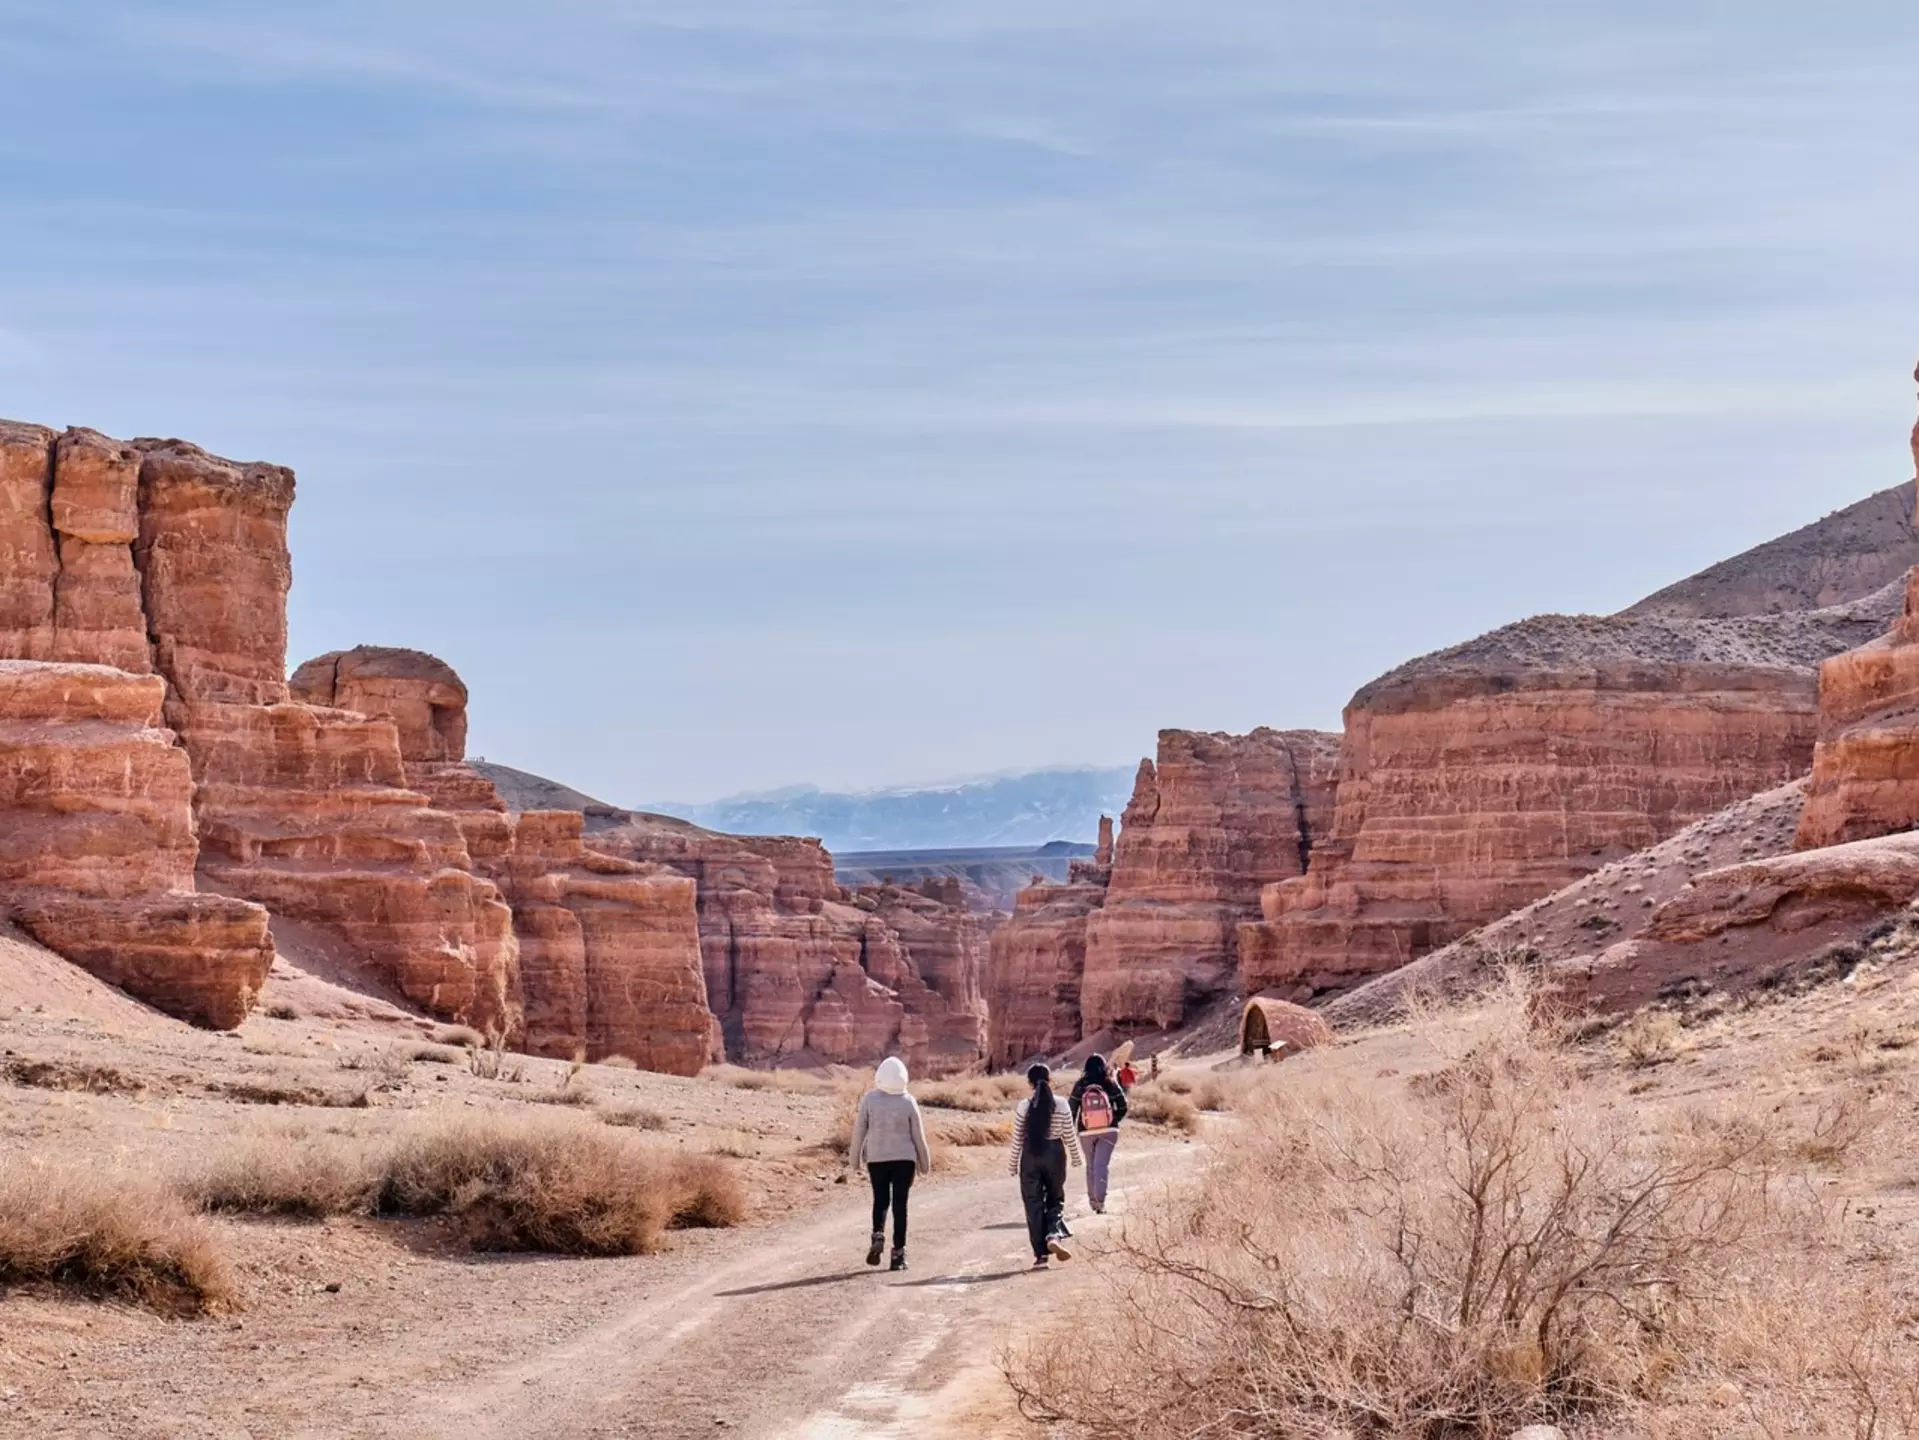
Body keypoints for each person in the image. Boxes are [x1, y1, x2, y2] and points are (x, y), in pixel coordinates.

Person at [848, 1056, 931, 1272]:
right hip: (905, 1160)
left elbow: (859, 1131)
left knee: (881, 1200)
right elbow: (918, 1136)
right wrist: (925, 1163)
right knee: (900, 1206)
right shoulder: (908, 1101)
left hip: (877, 1158)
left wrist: (854, 1160)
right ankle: (898, 1255)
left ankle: (878, 1234)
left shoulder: (869, 1099)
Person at [1008, 1063, 1082, 1268]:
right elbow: (1069, 1133)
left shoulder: (1025, 1105)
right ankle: (1053, 1236)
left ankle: (1041, 1255)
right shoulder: (1062, 1104)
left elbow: (1017, 1138)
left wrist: (1013, 1163)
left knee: (1033, 1203)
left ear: (1030, 1083)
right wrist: (1076, 1157)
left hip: (1030, 1155)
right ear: (1050, 1080)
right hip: (1055, 1154)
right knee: (1055, 1198)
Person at [1070, 1053, 1128, 1214]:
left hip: (1086, 1132)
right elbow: (1123, 1106)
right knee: (1101, 1165)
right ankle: (1101, 1202)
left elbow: (1072, 1109)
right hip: (1109, 1131)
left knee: (1090, 1166)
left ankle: (1093, 1202)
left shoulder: (1081, 1085)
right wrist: (1112, 1119)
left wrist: (1077, 1127)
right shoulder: (1110, 1083)